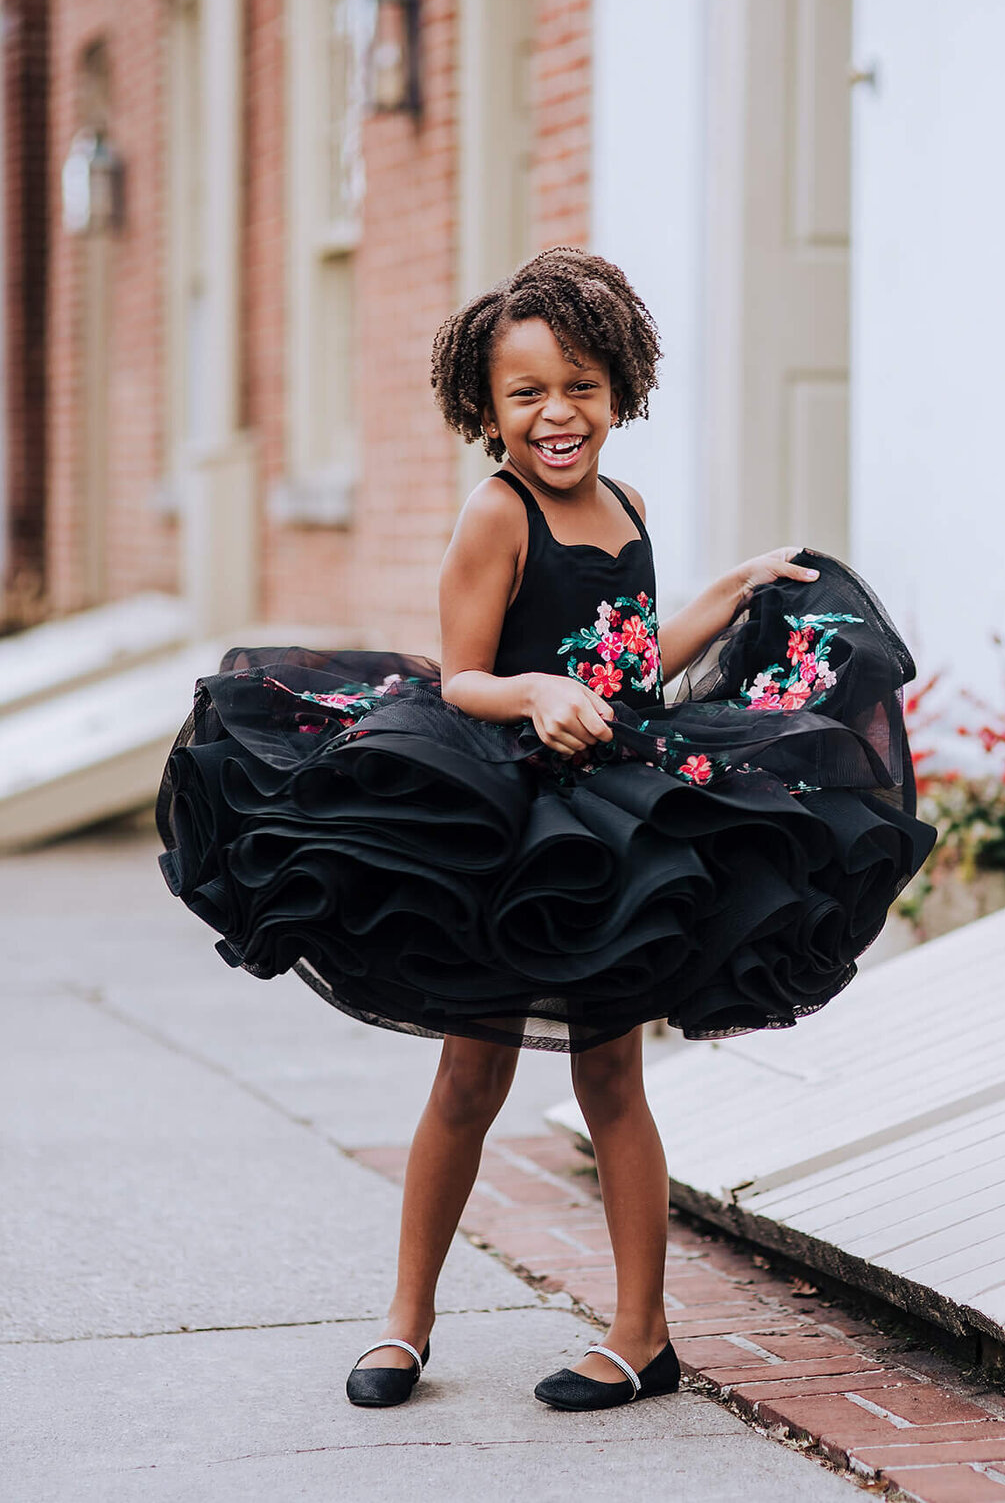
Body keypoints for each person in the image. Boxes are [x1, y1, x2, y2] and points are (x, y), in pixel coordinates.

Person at [157, 247, 935, 1415]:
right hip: (506, 817)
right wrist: (532, 696)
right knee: (467, 1077)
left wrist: (722, 597)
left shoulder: (626, 506)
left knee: (611, 1071)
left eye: (579, 385)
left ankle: (641, 1333)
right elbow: (465, 675)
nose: (556, 413)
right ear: (487, 409)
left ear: (620, 385)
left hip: (609, 817)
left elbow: (621, 666)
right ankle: (406, 1321)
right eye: (526, 394)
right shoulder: (497, 514)